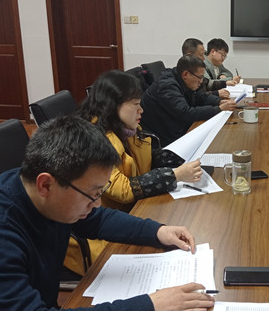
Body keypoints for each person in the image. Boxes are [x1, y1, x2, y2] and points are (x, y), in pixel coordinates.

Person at [0, 116, 215, 311]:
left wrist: (157, 231)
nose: (96, 204)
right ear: (46, 185)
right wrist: (149, 307)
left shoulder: (42, 193)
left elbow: (97, 219)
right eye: (92, 194)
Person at [76, 70, 203, 212]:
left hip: (135, 206)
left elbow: (142, 161)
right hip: (112, 214)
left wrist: (176, 156)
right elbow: (122, 190)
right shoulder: (92, 141)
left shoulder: (124, 128)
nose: (141, 110)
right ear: (113, 105)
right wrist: (174, 176)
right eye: (136, 104)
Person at [140, 54, 237, 147]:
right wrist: (218, 109)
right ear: (185, 74)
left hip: (175, 129)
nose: (201, 81)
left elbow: (199, 96)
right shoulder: (167, 86)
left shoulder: (181, 79)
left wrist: (218, 101)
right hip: (162, 140)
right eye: (200, 77)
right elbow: (186, 113)